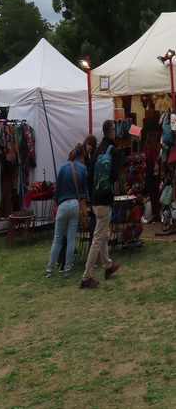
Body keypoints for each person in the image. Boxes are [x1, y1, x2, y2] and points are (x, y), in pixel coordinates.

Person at [81, 120, 122, 289]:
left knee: (103, 234)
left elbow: (90, 176)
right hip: (106, 199)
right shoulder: (113, 151)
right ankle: (86, 276)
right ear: (111, 132)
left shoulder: (97, 151)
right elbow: (115, 175)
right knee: (98, 238)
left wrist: (92, 197)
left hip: (96, 199)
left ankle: (107, 266)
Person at [43, 144, 88, 278]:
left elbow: (57, 189)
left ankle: (49, 269)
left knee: (57, 239)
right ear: (82, 157)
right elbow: (84, 192)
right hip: (75, 204)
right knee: (71, 238)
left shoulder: (63, 167)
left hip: (63, 204)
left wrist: (58, 201)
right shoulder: (83, 168)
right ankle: (67, 268)